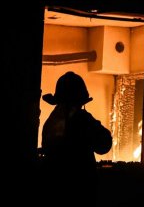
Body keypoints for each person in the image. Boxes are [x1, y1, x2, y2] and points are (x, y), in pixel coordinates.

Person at [40, 71, 112, 206]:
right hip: (78, 193)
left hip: (52, 192)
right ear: (79, 102)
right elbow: (104, 145)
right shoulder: (82, 119)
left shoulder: (51, 121)